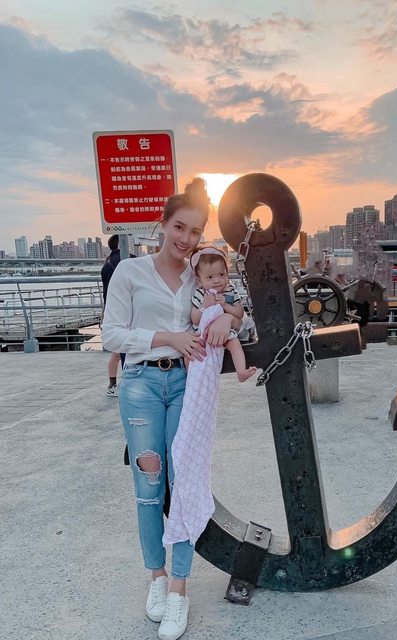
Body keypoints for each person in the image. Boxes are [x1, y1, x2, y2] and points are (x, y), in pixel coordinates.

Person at [101, 179, 237, 640]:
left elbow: (234, 312)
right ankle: (156, 577)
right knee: (148, 483)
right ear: (163, 224)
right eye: (180, 227)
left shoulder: (201, 277)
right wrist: (168, 337)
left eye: (195, 232)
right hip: (140, 383)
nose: (186, 238)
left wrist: (227, 319)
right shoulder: (130, 272)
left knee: (184, 482)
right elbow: (111, 335)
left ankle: (179, 588)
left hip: (185, 385)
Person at [190, 246, 256, 382]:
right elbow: (195, 319)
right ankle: (197, 378)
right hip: (205, 334)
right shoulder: (200, 294)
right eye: (210, 277)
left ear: (227, 273)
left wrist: (225, 305)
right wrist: (204, 306)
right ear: (199, 280)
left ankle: (241, 372)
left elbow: (239, 313)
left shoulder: (230, 291)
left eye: (221, 275)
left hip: (227, 332)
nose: (217, 280)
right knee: (194, 353)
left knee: (235, 345)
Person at [100, 235, 135, 397]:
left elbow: (105, 291)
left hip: (111, 310)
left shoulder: (106, 264)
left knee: (116, 351)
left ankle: (112, 384)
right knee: (128, 349)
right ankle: (128, 382)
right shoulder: (130, 260)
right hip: (130, 310)